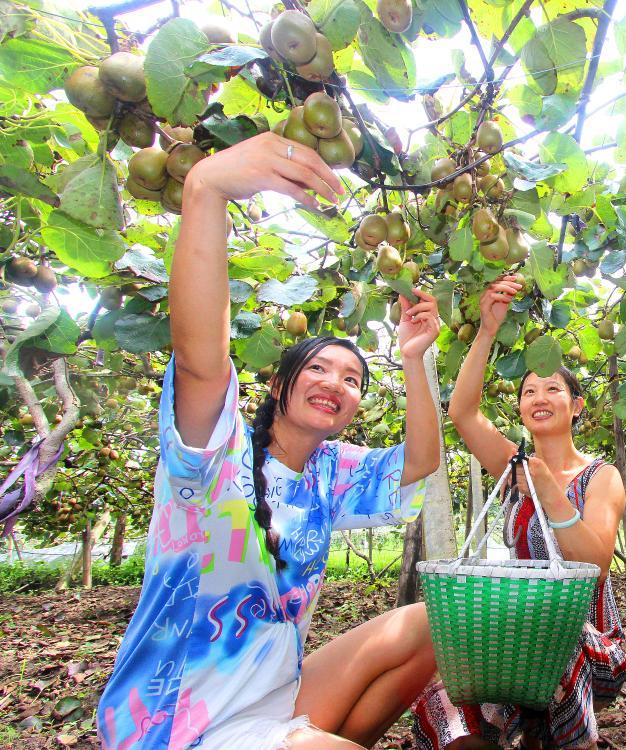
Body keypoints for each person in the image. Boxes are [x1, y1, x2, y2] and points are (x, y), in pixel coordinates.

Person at [96, 132, 443, 750]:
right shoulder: (216, 453)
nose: (336, 383)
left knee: (432, 623)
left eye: (354, 379)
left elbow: (421, 461)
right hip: (178, 720)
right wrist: (206, 190)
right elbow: (201, 360)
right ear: (280, 384)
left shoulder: (331, 471)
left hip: (276, 694)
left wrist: (413, 360)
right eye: (318, 368)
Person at [412, 276, 626, 750]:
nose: (539, 398)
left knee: (553, 641)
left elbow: (593, 569)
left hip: (587, 639)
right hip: (515, 629)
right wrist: (488, 330)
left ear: (576, 407)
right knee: (449, 686)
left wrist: (551, 493)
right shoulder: (513, 466)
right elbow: (463, 413)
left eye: (552, 388)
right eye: (529, 390)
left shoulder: (602, 477)